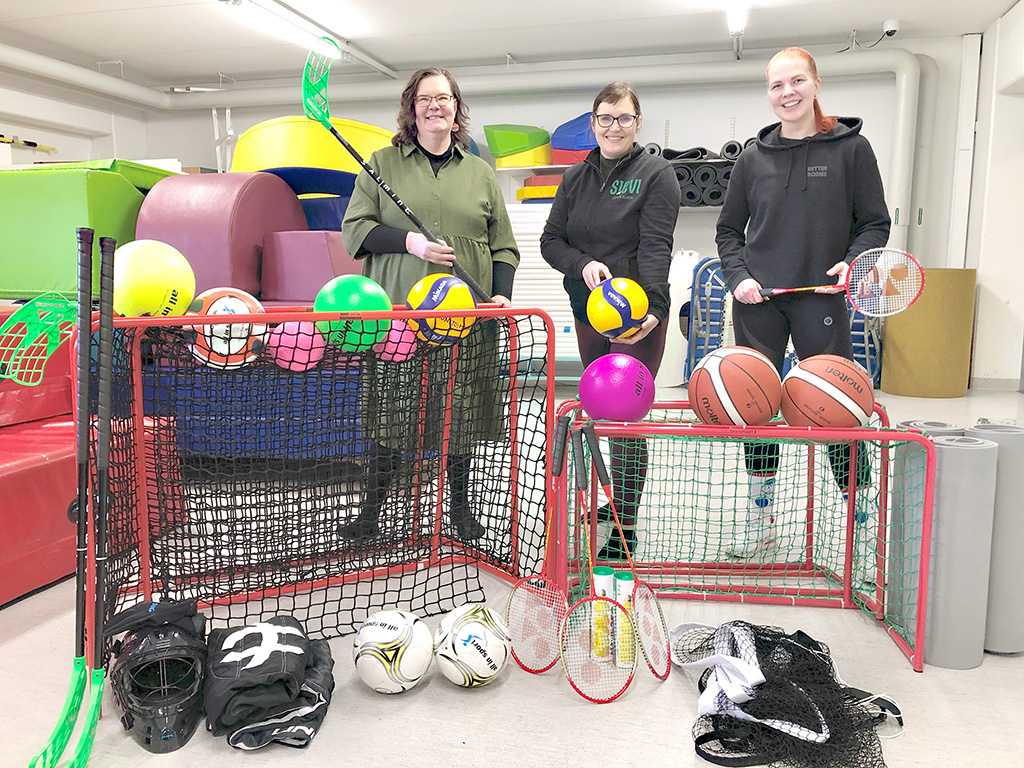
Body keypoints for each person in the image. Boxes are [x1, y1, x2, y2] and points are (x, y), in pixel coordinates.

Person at [715, 47, 890, 560]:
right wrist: (739, 279)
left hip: (822, 299)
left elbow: (874, 223)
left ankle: (861, 529)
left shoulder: (852, 150)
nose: (786, 93)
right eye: (776, 85)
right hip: (758, 302)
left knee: (839, 411)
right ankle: (761, 523)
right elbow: (728, 231)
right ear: (768, 94)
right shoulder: (752, 159)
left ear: (815, 84)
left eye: (796, 81)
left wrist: (854, 263)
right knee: (756, 408)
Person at [340, 67, 520, 543]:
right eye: (424, 98)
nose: (434, 105)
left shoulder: (481, 173)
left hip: (466, 315)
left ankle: (459, 509)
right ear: (411, 109)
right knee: (391, 411)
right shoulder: (381, 163)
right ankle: (371, 512)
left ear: (456, 108)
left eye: (444, 97)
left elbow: (503, 246)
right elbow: (355, 231)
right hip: (400, 314)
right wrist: (411, 243)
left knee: (460, 412)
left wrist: (501, 293)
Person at [541, 81, 681, 559]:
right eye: (605, 118)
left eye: (623, 118)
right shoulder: (575, 177)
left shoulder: (656, 173)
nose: (613, 127)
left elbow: (656, 245)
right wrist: (581, 264)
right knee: (600, 410)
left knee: (625, 416)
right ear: (593, 122)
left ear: (637, 123)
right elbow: (551, 241)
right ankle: (614, 501)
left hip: (635, 318)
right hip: (588, 311)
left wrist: (655, 309)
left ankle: (627, 523)